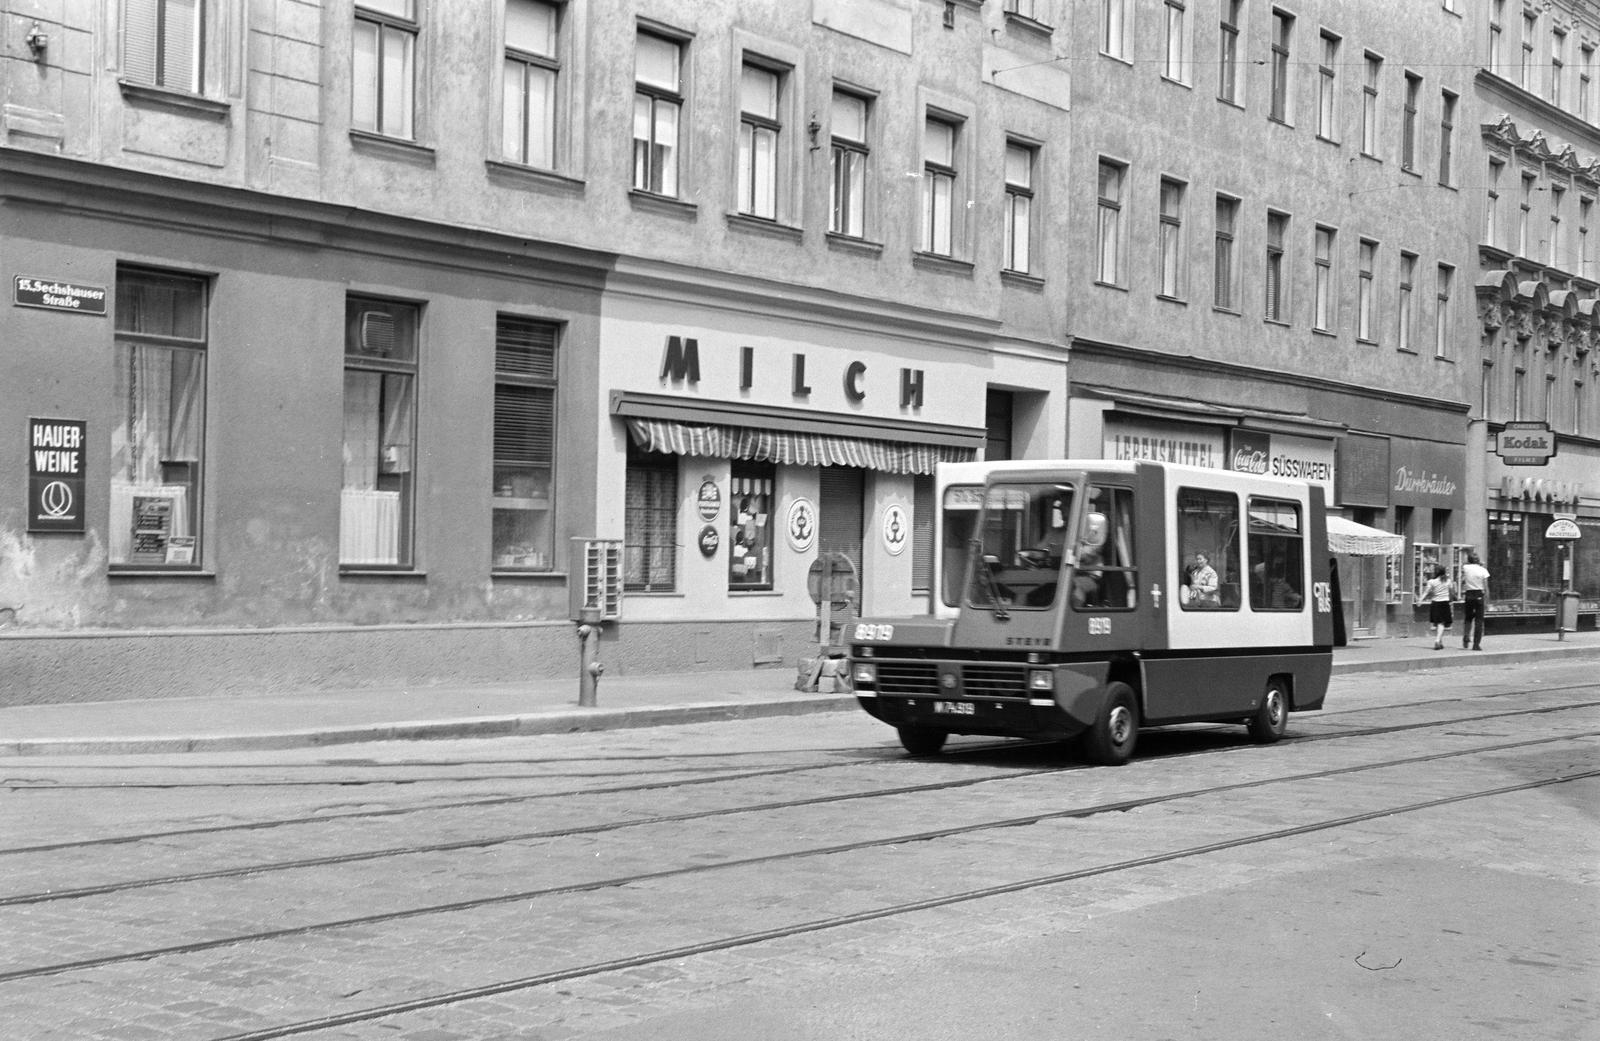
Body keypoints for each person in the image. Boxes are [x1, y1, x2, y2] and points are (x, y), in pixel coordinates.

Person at [1459, 552, 1490, 651]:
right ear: (1478, 560)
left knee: (1468, 618)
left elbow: (1463, 564)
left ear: (1469, 560)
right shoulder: (1483, 570)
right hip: (1479, 594)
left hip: (1469, 594)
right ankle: (1476, 644)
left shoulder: (1466, 568)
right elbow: (1486, 586)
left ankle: (1466, 635)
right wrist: (1487, 601)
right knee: (1479, 621)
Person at [1419, 563, 1454, 650]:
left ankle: (1440, 642)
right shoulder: (1448, 581)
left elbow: (1426, 592)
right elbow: (1451, 592)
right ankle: (1437, 640)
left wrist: (1420, 600)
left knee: (1438, 623)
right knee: (1441, 623)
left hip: (1435, 603)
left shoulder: (1431, 582)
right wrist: (1451, 600)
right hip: (1444, 603)